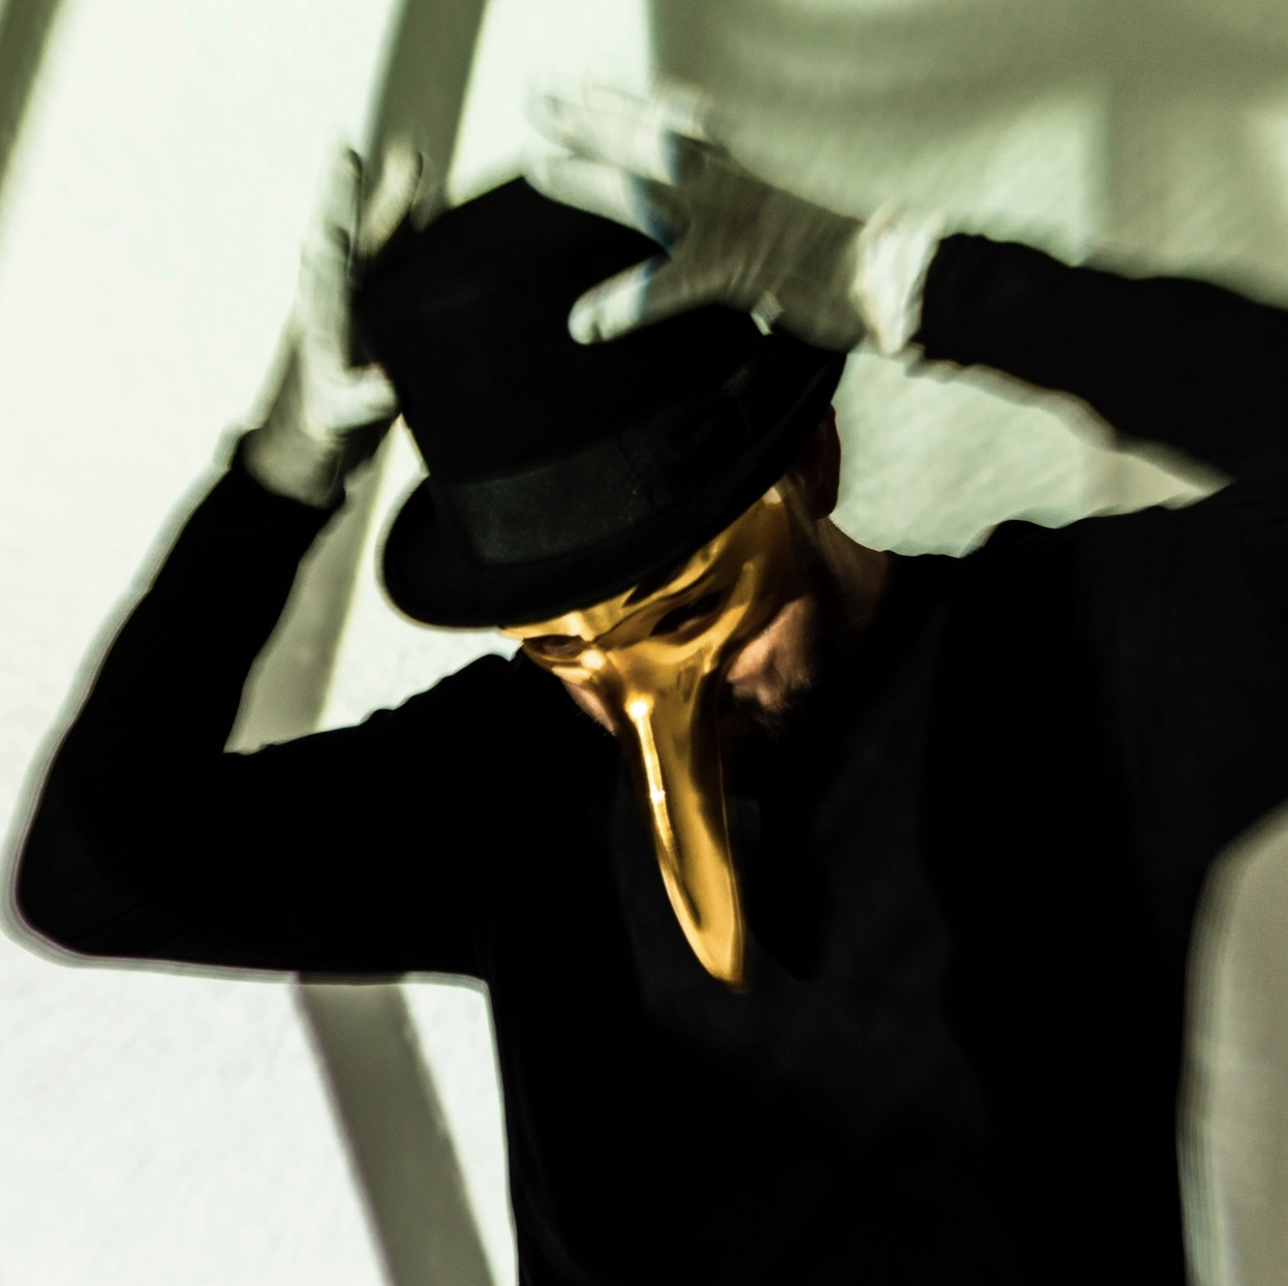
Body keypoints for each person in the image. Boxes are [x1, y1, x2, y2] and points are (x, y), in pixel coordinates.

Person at [14, 85, 1288, 1284]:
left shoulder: (1085, 667)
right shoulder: (509, 777)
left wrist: (905, 279)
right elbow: (98, 873)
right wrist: (280, 472)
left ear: (813, 459)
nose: (652, 708)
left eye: (692, 615)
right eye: (565, 648)